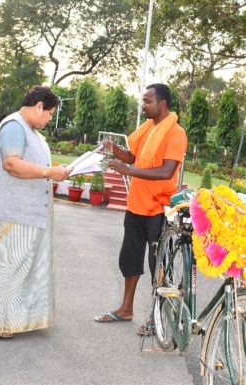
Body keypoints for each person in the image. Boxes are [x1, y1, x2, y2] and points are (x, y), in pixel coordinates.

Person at [0, 86, 69, 339]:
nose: (49, 119)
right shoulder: (14, 126)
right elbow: (11, 164)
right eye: (49, 114)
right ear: (39, 106)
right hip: (7, 212)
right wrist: (49, 173)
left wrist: (52, 170)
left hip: (23, 212)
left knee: (19, 268)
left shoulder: (31, 131)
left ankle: (12, 318)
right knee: (4, 267)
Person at [94, 83, 188, 335]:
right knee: (130, 259)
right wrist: (114, 149)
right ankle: (126, 309)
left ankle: (156, 316)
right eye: (143, 101)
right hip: (136, 205)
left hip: (159, 208)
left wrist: (129, 171)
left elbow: (167, 171)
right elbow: (133, 157)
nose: (143, 106)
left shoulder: (175, 133)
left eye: (147, 101)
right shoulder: (148, 128)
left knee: (158, 265)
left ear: (162, 104)